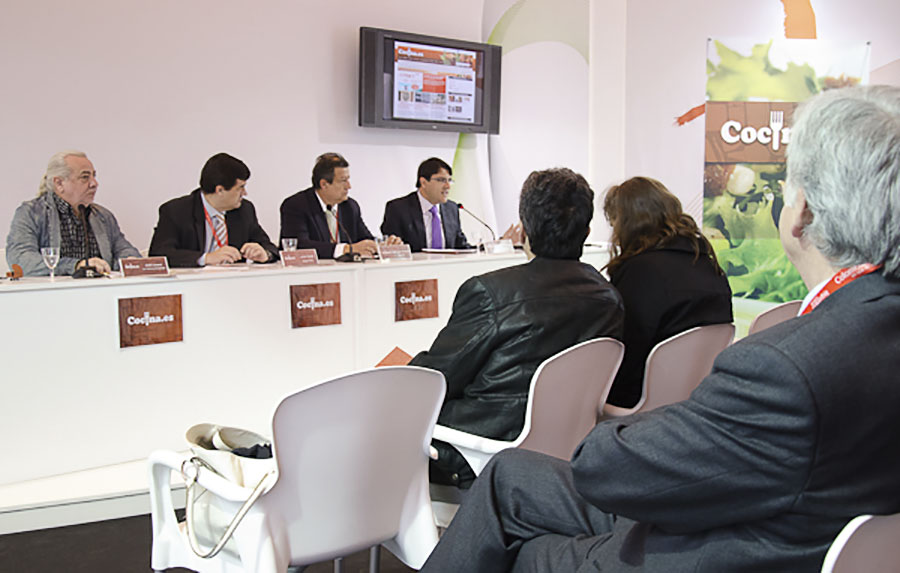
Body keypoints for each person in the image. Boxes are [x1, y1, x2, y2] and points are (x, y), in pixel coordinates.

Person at [420, 85, 900, 572]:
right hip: (774, 513)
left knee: (527, 548)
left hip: (722, 544)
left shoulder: (786, 367)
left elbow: (608, 469)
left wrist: (637, 425)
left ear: (804, 212)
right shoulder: (861, 331)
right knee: (508, 476)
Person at [410, 167, 624, 488]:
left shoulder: (489, 293)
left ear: (524, 229)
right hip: (568, 450)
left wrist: (400, 373)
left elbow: (434, 380)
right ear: (586, 230)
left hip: (479, 452)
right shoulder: (608, 298)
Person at [602, 176, 733, 408]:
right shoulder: (707, 263)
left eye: (614, 224)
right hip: (699, 400)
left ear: (628, 222)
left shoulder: (638, 272)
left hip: (641, 404)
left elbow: (626, 353)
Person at [6, 150, 139, 276]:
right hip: (54, 291)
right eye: (85, 177)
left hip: (100, 289)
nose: (94, 183)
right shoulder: (31, 213)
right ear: (59, 183)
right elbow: (21, 260)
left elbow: (124, 249)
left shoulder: (102, 215)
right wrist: (76, 266)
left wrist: (129, 261)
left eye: (94, 176)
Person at [148, 153, 279, 267]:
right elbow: (159, 254)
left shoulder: (245, 210)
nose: (245, 193)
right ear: (220, 190)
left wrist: (264, 254)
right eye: (240, 188)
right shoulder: (176, 211)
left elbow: (271, 248)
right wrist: (206, 258)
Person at [279, 152, 399, 259]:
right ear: (324, 184)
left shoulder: (350, 206)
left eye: (348, 180)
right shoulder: (296, 205)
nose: (349, 186)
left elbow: (364, 239)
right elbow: (299, 246)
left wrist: (383, 245)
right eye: (343, 181)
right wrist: (346, 249)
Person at [380, 157, 471, 251]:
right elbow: (391, 247)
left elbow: (461, 246)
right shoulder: (398, 209)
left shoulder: (452, 209)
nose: (448, 186)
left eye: (450, 180)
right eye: (442, 180)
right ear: (423, 182)